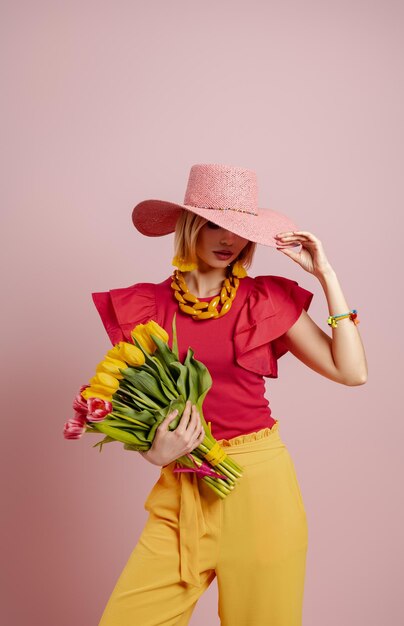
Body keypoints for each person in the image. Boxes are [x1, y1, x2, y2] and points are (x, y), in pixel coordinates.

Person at [92, 163, 368, 626]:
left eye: (240, 230)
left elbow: (351, 371)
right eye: (215, 225)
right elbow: (143, 409)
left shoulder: (265, 301)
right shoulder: (146, 307)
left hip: (260, 490)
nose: (229, 240)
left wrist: (328, 277)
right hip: (183, 489)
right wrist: (153, 453)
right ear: (188, 226)